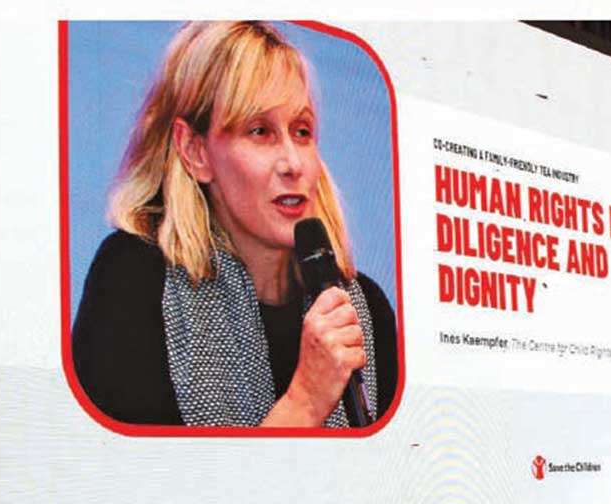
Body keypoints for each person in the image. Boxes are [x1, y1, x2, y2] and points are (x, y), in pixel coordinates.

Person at [72, 21, 397, 428]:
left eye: (302, 132)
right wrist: (305, 402)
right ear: (195, 151)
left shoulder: (363, 308)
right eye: (260, 131)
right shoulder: (134, 278)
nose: (293, 163)